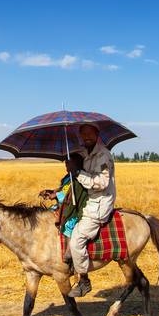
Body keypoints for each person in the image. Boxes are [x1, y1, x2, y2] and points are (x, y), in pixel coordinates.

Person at [64, 123, 116, 297]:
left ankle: (84, 281)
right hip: (87, 201)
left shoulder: (103, 156)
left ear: (97, 134)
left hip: (99, 204)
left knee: (76, 240)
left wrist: (77, 172)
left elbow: (102, 183)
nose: (86, 137)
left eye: (89, 134)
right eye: (83, 134)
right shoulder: (84, 152)